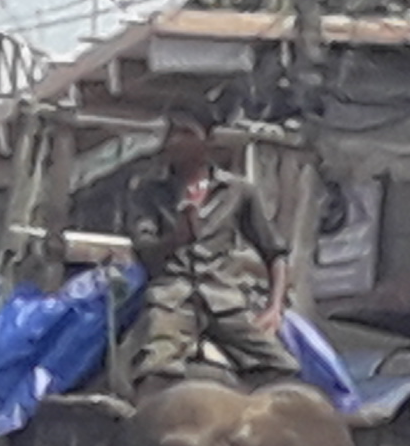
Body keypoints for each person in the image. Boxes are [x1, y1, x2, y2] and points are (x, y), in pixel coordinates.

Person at [117, 109, 298, 392]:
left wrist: (274, 307)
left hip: (224, 299)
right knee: (155, 369)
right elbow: (145, 251)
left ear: (208, 140)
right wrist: (176, 238)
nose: (174, 140)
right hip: (172, 299)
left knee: (284, 368)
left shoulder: (238, 191)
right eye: (171, 132)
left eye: (186, 133)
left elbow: (275, 252)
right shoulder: (149, 192)